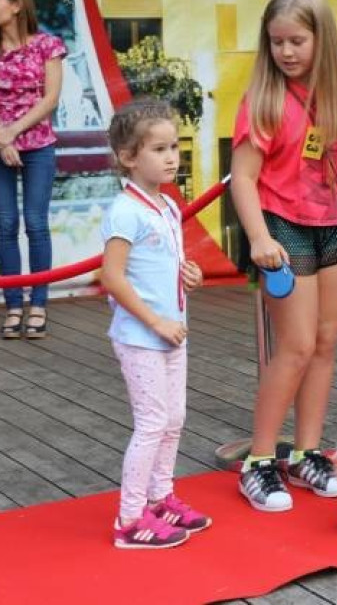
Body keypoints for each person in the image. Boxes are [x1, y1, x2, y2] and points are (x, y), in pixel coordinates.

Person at [231, 0, 337, 512]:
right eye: (277, 42)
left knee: (325, 344)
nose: (286, 52)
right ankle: (259, 461)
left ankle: (306, 453)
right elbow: (242, 179)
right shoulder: (264, 98)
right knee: (296, 347)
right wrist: (259, 238)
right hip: (285, 228)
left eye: (297, 40)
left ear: (321, 38)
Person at [100, 98, 210, 549]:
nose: (171, 157)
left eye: (175, 147)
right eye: (159, 149)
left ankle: (161, 497)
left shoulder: (165, 206)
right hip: (142, 337)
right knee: (151, 422)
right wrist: (156, 322)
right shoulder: (125, 210)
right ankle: (129, 520)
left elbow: (165, 262)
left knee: (175, 418)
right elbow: (112, 277)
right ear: (129, 157)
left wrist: (191, 274)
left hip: (172, 332)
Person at [0, 0, 65, 340]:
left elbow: (50, 99)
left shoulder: (47, 46)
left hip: (38, 145)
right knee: (4, 224)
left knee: (35, 222)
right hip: (0, 146)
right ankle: (13, 305)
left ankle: (38, 303)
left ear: (16, 5)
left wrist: (14, 131)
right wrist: (2, 138)